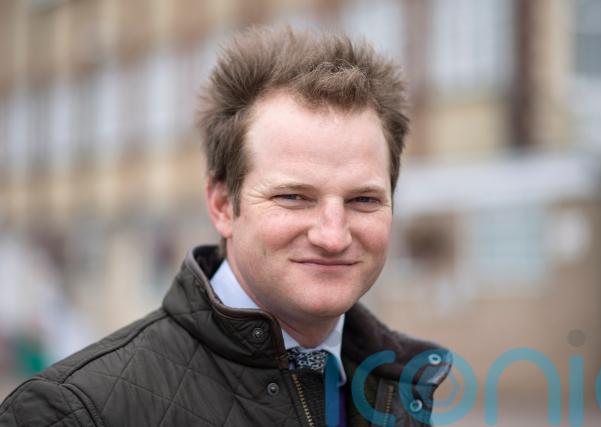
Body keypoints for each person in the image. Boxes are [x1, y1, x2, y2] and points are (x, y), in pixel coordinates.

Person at [0, 26, 450, 426]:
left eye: (363, 200)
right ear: (221, 204)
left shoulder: (399, 386)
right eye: (293, 197)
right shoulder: (74, 412)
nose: (333, 236)